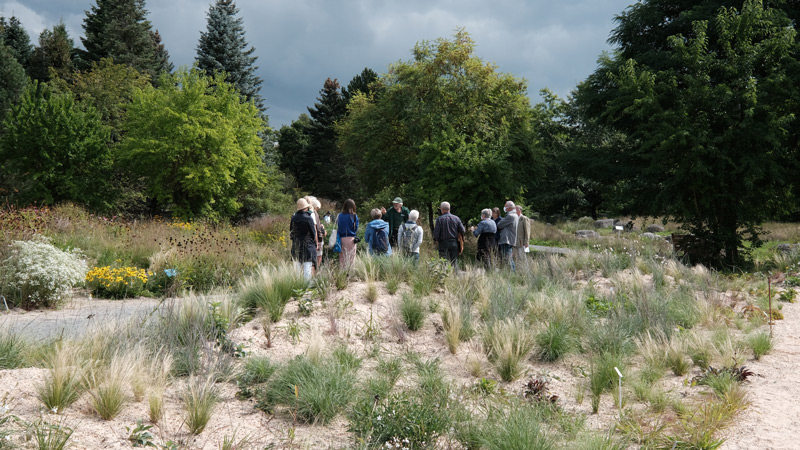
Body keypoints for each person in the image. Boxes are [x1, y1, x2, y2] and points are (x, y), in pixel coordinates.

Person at [290, 198, 317, 281]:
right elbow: (313, 233)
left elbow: (291, 230)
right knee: (307, 268)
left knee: (297, 269)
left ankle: (298, 286)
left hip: (296, 245)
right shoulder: (308, 218)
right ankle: (307, 288)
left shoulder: (293, 218)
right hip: (307, 245)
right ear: (306, 208)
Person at [433, 201, 465, 269]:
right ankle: (456, 277)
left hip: (443, 243)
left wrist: (436, 240)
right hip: (454, 242)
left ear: (442, 209)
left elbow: (436, 233)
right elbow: (463, 230)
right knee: (454, 262)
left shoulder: (439, 219)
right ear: (449, 209)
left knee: (443, 263)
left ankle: (444, 278)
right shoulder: (456, 218)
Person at [336, 199, 360, 269]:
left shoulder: (339, 215)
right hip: (351, 239)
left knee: (342, 258)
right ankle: (350, 275)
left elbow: (338, 226)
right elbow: (356, 229)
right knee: (351, 258)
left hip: (341, 238)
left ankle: (342, 275)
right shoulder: (354, 216)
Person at [496, 201, 519, 271]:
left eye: (506, 207)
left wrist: (501, 222)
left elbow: (499, 225)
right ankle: (511, 272)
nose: (505, 208)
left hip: (507, 239)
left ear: (509, 208)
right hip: (510, 239)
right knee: (509, 258)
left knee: (507, 258)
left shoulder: (510, 216)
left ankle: (512, 273)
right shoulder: (515, 215)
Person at [305, 196, 326, 268]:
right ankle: (314, 274)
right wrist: (317, 241)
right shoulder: (313, 214)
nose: (317, 210)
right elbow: (315, 229)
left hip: (306, 241)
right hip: (316, 240)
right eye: (317, 208)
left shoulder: (299, 214)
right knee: (317, 258)